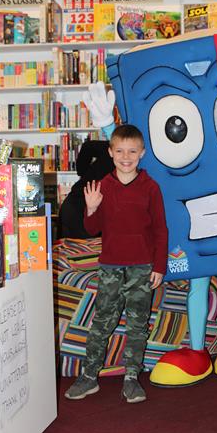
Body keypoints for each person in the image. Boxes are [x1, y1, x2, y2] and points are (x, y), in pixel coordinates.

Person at [64, 124, 168, 403]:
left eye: (132, 151)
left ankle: (132, 378)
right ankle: (89, 376)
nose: (126, 157)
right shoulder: (102, 186)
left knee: (137, 324)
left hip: (141, 267)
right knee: (102, 322)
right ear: (110, 152)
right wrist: (92, 208)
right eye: (120, 151)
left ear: (142, 153)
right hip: (110, 266)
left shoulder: (151, 188)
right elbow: (92, 228)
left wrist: (159, 266)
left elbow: (160, 230)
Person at [56, 139, 114, 239]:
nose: (125, 155)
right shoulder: (113, 147)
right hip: (79, 206)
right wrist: (83, 173)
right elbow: (88, 146)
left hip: (82, 205)